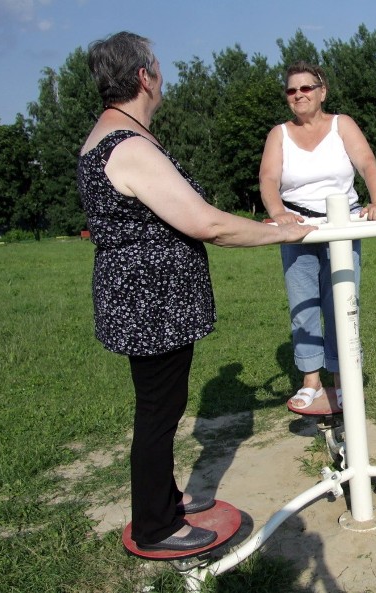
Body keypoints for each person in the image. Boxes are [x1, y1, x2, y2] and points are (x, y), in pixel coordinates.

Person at [77, 32, 315, 553]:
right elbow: (206, 223)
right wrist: (283, 231)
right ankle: (156, 526)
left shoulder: (107, 134)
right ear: (143, 76)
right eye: (157, 66)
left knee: (159, 405)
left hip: (139, 295)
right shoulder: (130, 145)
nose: (161, 75)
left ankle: (164, 499)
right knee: (159, 411)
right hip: (150, 302)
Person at [259, 61, 376, 410]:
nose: (298, 95)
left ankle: (342, 378)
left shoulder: (341, 125)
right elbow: (268, 180)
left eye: (306, 88)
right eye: (291, 90)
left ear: (322, 91)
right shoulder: (279, 134)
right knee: (303, 306)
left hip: (341, 226)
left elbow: (367, 164)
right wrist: (278, 214)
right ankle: (311, 380)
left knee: (341, 304)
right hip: (298, 231)